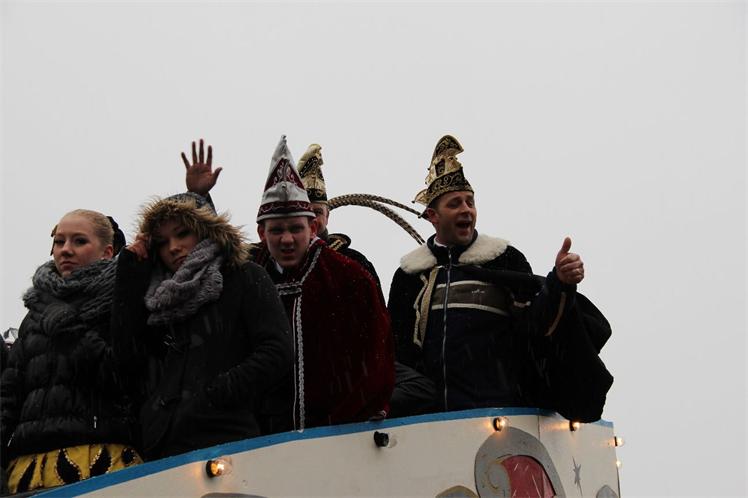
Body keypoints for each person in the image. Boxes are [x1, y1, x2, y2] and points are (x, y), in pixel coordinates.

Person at [388, 135, 613, 422]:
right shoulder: (409, 275)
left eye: (470, 202)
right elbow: (394, 352)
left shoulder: (503, 259)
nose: (466, 209)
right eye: (455, 203)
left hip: (499, 416)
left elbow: (537, 325)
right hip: (430, 424)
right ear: (433, 216)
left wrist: (560, 282)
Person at [110, 192, 293, 459]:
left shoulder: (244, 276)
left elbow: (277, 351)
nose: (173, 247)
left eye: (182, 234)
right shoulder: (155, 295)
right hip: (162, 444)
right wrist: (130, 273)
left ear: (206, 231)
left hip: (228, 436)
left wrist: (217, 394)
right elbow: (128, 360)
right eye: (162, 242)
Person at [249, 135, 394, 432]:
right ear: (262, 233)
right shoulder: (248, 280)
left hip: (336, 433)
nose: (287, 239)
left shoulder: (350, 277)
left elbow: (377, 354)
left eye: (295, 228)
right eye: (277, 230)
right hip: (261, 439)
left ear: (313, 227)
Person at [0, 210, 141, 494]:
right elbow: (8, 397)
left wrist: (66, 324)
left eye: (79, 241)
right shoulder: (35, 314)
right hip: (29, 470)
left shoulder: (124, 302)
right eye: (59, 241)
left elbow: (123, 377)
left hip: (103, 462)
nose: (66, 249)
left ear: (107, 251)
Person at [296, 143, 381, 287]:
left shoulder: (355, 263)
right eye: (304, 211)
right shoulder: (270, 263)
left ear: (327, 217)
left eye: (317, 212)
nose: (311, 219)